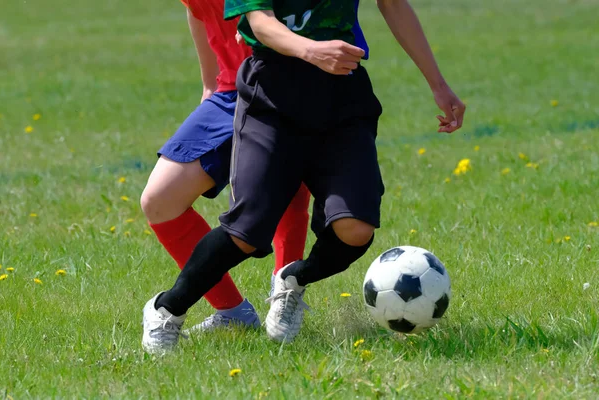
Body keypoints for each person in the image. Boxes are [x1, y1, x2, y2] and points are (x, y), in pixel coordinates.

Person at [142, 0, 466, 353]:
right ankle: (166, 309)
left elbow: (393, 4)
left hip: (343, 95)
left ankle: (293, 279)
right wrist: (312, 51)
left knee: (356, 230)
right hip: (271, 92)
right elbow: (260, 23)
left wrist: (439, 84)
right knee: (246, 230)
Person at [140, 0, 310, 341]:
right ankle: (233, 312)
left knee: (290, 172)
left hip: (293, 83)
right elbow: (198, 8)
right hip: (231, 89)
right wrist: (209, 82)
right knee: (159, 200)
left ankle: (286, 292)